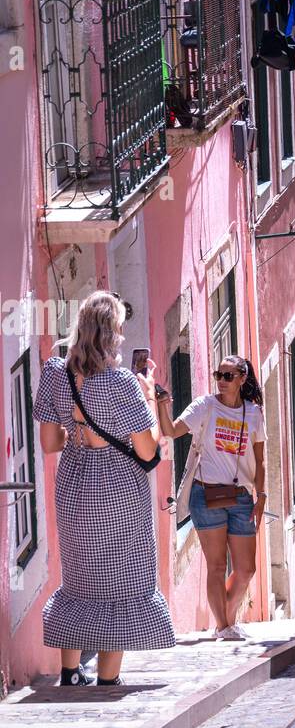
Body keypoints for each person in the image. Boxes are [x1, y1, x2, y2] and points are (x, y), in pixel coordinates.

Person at [34, 290, 175, 686]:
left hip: (73, 485)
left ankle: (69, 672)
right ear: (110, 333)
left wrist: (80, 438)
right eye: (120, 329)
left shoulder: (54, 373)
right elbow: (146, 449)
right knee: (123, 578)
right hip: (117, 489)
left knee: (79, 579)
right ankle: (109, 679)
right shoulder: (121, 383)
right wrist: (146, 400)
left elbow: (49, 443)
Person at [157, 356, 267, 640]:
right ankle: (223, 627)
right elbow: (171, 431)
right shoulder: (205, 406)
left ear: (242, 379)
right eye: (219, 374)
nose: (221, 380)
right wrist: (162, 405)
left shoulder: (254, 413)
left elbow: (260, 459)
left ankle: (227, 620)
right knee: (217, 565)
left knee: (246, 569)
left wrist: (262, 494)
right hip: (205, 494)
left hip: (241, 496)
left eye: (228, 376)